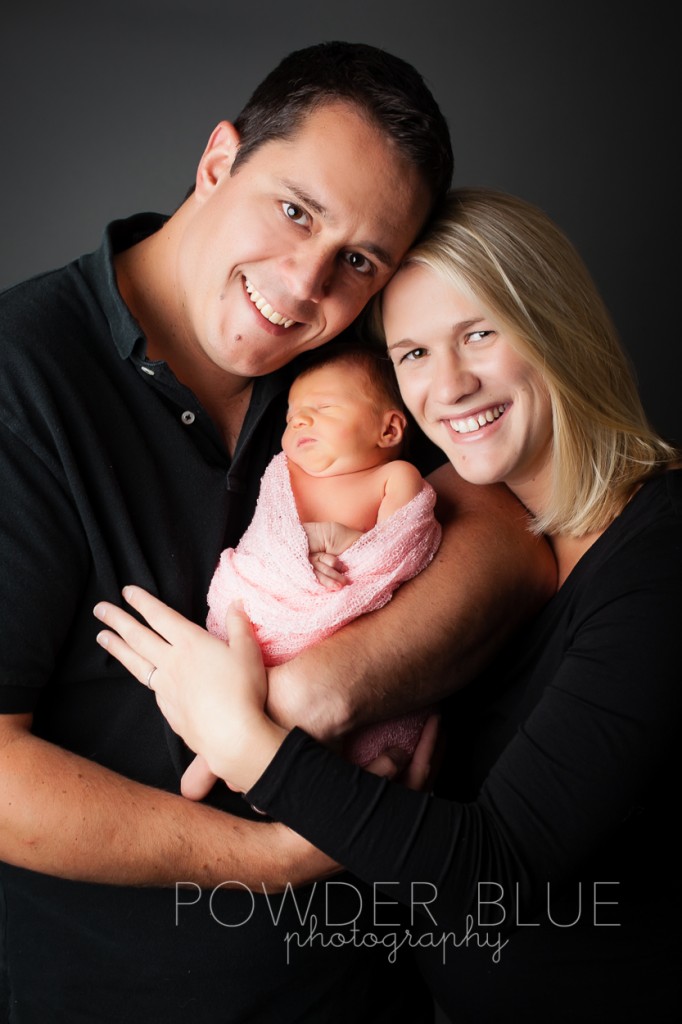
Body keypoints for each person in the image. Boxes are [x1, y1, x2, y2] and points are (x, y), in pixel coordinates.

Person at [0, 39, 556, 1022]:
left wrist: (315, 696)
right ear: (219, 162)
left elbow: (512, 541)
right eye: (294, 210)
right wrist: (271, 858)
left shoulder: (354, 356)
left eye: (357, 259)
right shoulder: (23, 381)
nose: (304, 288)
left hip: (374, 989)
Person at [95, 187, 681, 1023]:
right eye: (412, 354)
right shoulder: (490, 538)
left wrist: (251, 743)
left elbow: (498, 871)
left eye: (479, 333)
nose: (449, 384)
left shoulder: (660, 554)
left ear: (557, 325)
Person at [182, 345, 442, 800]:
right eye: (292, 415)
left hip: (337, 629)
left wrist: (343, 543)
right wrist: (295, 554)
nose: (299, 421)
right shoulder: (285, 474)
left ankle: (269, 772)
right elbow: (266, 539)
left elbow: (401, 554)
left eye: (321, 409)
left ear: (388, 428)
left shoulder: (394, 478)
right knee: (236, 687)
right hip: (270, 610)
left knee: (327, 734)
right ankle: (213, 759)